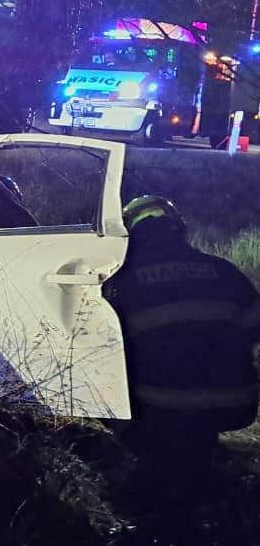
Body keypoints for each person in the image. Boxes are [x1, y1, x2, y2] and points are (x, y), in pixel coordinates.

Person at [103, 196, 260, 483]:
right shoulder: (224, 271)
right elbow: (254, 329)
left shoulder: (122, 282)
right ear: (179, 228)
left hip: (160, 406)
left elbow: (106, 352)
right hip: (235, 402)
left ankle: (146, 459)